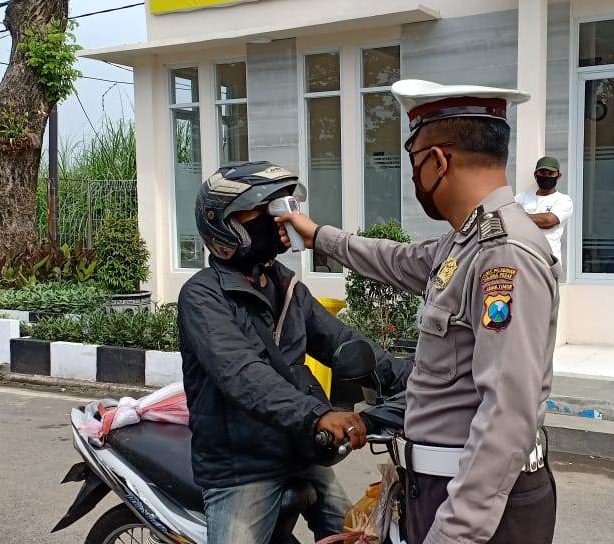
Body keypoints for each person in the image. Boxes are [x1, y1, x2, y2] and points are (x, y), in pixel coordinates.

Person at [277, 80, 559, 544]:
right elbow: (397, 260)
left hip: (478, 510)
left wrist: (453, 535)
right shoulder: (467, 240)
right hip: (438, 491)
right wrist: (317, 235)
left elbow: (508, 414)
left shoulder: (503, 254)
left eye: (413, 163)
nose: (413, 179)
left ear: (437, 161)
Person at [178, 161, 409, 544]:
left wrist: (414, 378)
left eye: (284, 207)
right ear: (225, 223)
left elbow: (341, 341)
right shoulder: (203, 297)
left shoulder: (286, 287)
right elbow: (244, 375)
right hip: (243, 467)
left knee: (362, 535)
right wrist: (319, 415)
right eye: (267, 210)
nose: (281, 219)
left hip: (298, 449)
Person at [515, 156, 573, 262]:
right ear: (535, 175)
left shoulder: (564, 200)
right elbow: (508, 217)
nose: (546, 176)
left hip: (548, 261)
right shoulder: (521, 197)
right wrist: (541, 223)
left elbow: (548, 220)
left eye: (550, 173)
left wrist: (519, 218)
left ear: (558, 175)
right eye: (542, 173)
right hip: (523, 259)